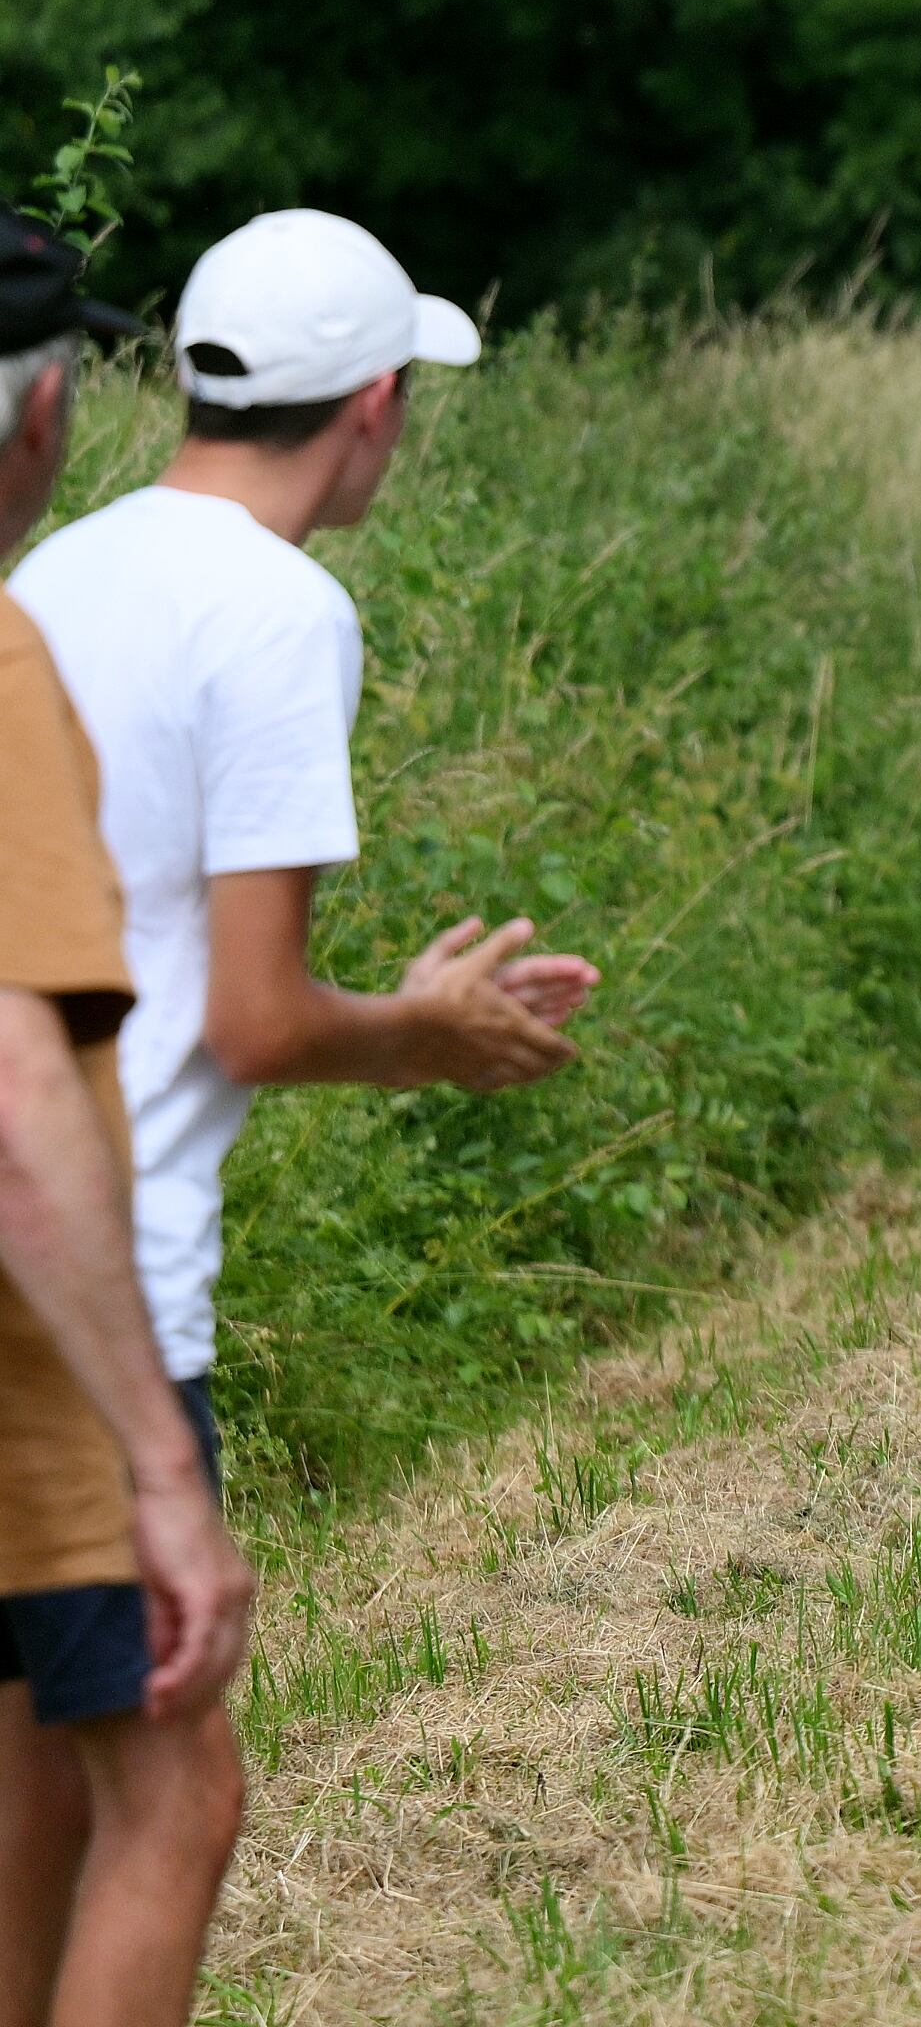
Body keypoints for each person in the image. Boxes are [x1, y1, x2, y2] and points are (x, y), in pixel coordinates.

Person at [13, 204, 601, 1456]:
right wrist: (425, 1034)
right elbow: (255, 1021)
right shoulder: (284, 613)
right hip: (118, 1285)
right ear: (377, 401)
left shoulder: (54, 569)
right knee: (149, 1649)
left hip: (22, 1246)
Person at [0, 217, 255, 2027]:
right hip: (30, 1378)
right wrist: (161, 1461)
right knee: (173, 1790)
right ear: (37, 413)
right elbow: (19, 1106)